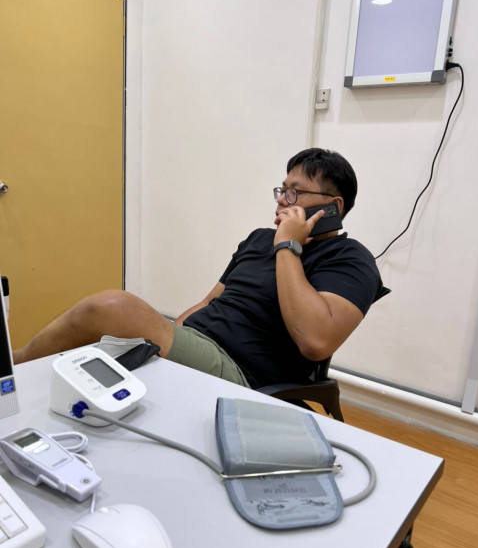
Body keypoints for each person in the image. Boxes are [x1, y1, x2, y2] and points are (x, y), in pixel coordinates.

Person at [14, 148, 388, 388]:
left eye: (296, 192)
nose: (282, 201)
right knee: (91, 356)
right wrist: (167, 334)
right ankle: (22, 383)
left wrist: (288, 246)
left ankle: (10, 369)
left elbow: (316, 341)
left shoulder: (350, 259)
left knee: (111, 307)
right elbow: (211, 301)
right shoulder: (259, 239)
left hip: (242, 371)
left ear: (333, 206)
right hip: (200, 343)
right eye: (282, 190)